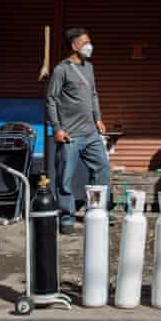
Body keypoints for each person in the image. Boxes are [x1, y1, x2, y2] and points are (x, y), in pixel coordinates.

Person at [45, 27, 109, 234]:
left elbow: (94, 95)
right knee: (65, 178)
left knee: (102, 169)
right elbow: (51, 99)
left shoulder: (89, 67)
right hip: (69, 135)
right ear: (74, 46)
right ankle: (66, 216)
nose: (90, 46)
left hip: (91, 133)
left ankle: (96, 210)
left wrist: (98, 118)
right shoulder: (61, 70)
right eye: (85, 43)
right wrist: (57, 128)